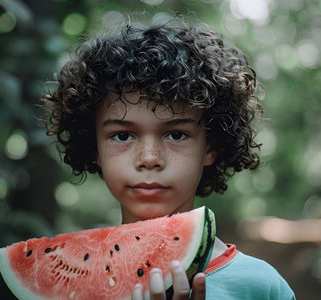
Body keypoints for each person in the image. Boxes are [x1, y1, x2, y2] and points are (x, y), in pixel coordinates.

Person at [43, 14, 295, 300]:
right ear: (95, 148)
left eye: (176, 135)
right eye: (123, 136)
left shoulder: (261, 287)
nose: (149, 159)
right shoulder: (67, 286)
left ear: (210, 147)